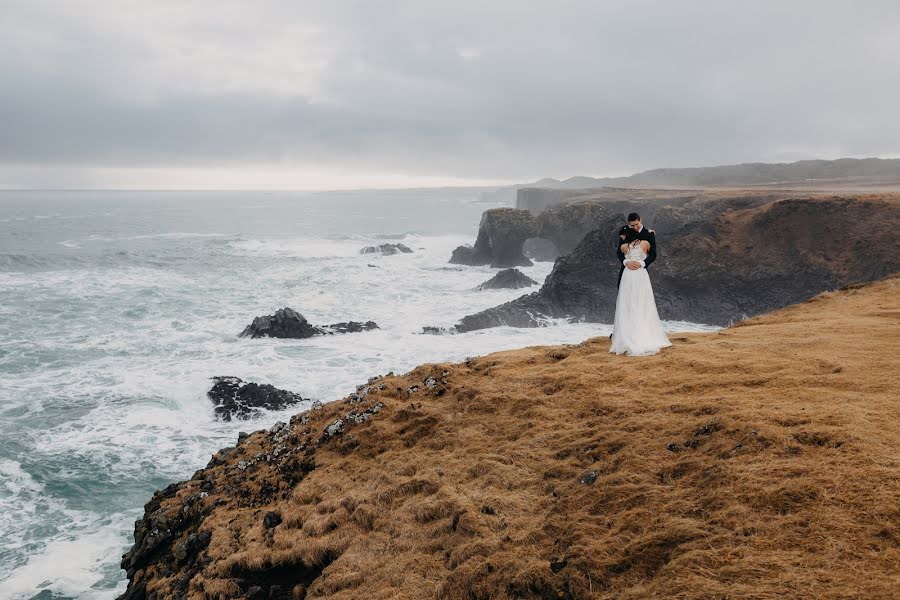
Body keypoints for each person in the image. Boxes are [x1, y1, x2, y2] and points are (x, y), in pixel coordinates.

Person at [609, 221, 672, 356]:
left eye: (637, 224)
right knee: (631, 303)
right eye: (633, 226)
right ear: (630, 226)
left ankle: (632, 333)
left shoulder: (648, 234)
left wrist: (642, 263)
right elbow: (620, 254)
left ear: (640, 221)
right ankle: (625, 333)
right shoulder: (640, 240)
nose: (635, 227)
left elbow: (653, 255)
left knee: (638, 302)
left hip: (636, 272)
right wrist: (626, 262)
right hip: (630, 273)